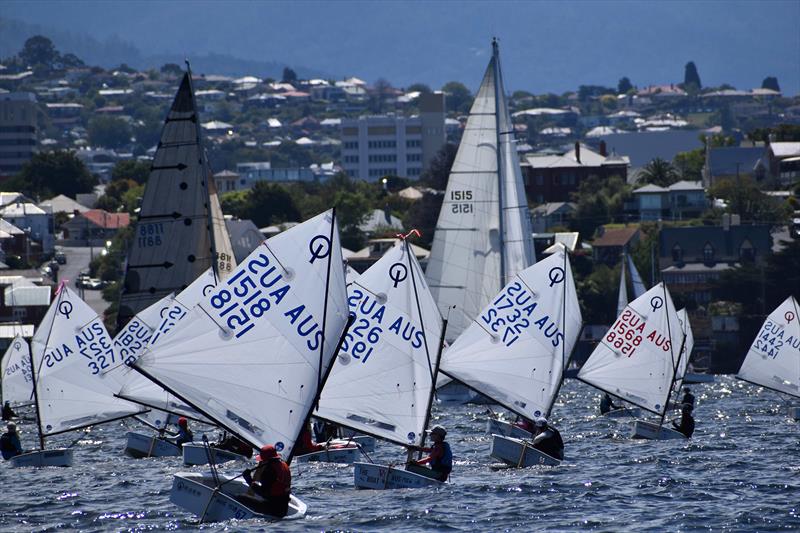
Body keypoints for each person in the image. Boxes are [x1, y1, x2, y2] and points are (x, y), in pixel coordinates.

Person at [239, 444, 292, 518]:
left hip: (272, 509)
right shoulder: (284, 465)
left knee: (240, 497)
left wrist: (249, 480)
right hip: (283, 508)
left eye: (262, 460)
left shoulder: (269, 471)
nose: (261, 462)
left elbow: (264, 493)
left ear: (267, 460)